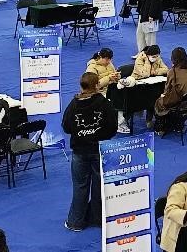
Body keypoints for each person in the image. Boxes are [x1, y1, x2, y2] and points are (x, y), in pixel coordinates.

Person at [62, 72, 118, 231]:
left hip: (79, 151)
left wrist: (81, 134)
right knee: (99, 186)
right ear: (97, 85)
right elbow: (113, 127)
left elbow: (66, 127)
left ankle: (75, 222)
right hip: (99, 150)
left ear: (81, 85)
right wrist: (100, 136)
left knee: (80, 187)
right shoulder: (104, 103)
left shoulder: (73, 104)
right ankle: (98, 219)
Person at [115, 44, 169, 134]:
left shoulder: (157, 58)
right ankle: (124, 120)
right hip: (137, 83)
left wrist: (154, 71)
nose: (156, 58)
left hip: (151, 83)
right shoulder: (140, 59)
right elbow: (145, 74)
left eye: (157, 56)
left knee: (155, 97)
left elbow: (165, 69)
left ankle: (149, 119)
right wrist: (147, 61)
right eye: (153, 57)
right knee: (136, 101)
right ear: (148, 55)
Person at [154, 47, 187, 136]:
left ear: (173, 58)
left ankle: (161, 127)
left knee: (159, 102)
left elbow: (167, 89)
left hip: (178, 103)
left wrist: (163, 96)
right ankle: (178, 124)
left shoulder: (173, 72)